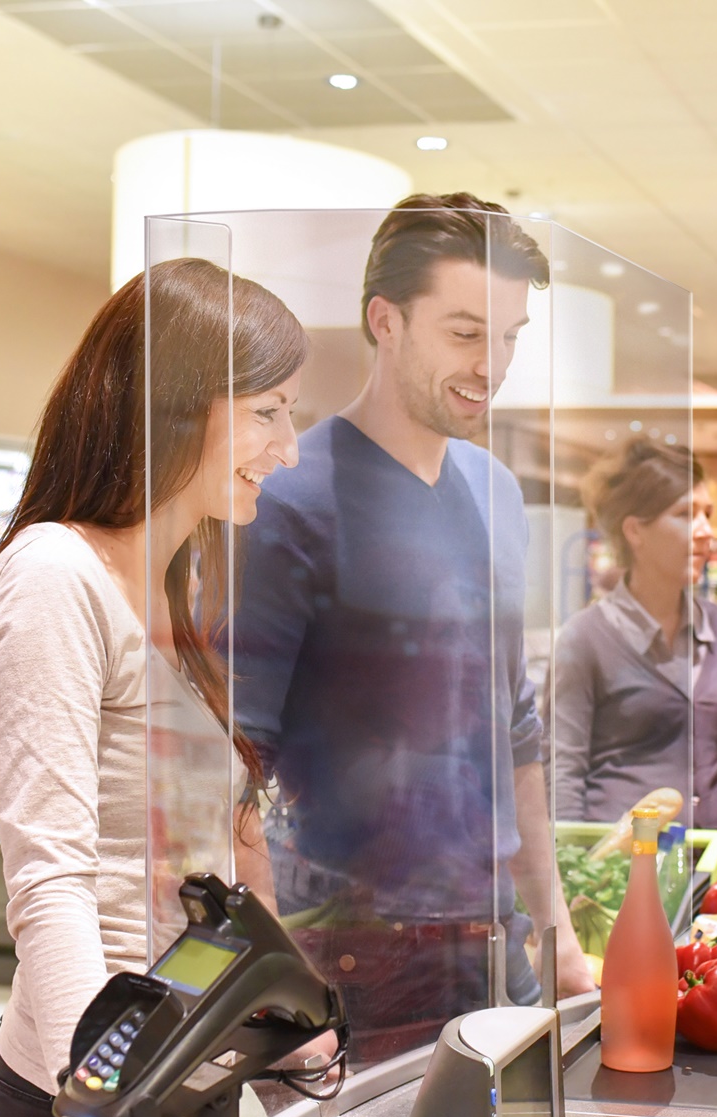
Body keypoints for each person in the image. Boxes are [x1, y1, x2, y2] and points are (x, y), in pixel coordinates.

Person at [0, 259, 306, 1117]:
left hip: (160, 1077)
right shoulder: (55, 577)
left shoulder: (161, 582)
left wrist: (283, 1017)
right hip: (80, 1114)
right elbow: (51, 884)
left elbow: (203, 864)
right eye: (269, 414)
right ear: (176, 408)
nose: (285, 452)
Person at [233, 193, 592, 1060]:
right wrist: (271, 986)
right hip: (353, 950)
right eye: (467, 333)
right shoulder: (286, 495)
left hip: (494, 941)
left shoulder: (498, 491)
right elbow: (233, 764)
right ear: (383, 321)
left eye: (510, 336)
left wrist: (560, 935)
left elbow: (519, 732)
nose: (492, 365)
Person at [551, 438, 717, 871]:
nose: (705, 531)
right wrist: (573, 878)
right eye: (686, 515)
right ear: (635, 531)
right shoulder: (586, 638)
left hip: (714, 866)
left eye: (707, 514)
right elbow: (562, 774)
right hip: (623, 875)